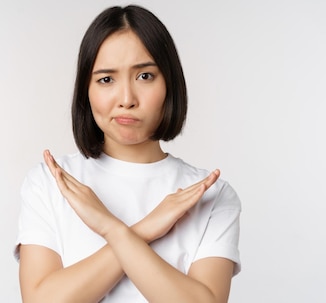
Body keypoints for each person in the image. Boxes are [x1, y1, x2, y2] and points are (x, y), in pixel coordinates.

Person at [14, 5, 241, 303]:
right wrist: (144, 229)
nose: (126, 99)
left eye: (145, 76)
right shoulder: (51, 183)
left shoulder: (211, 195)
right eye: (106, 79)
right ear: (86, 90)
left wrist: (111, 228)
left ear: (169, 84)